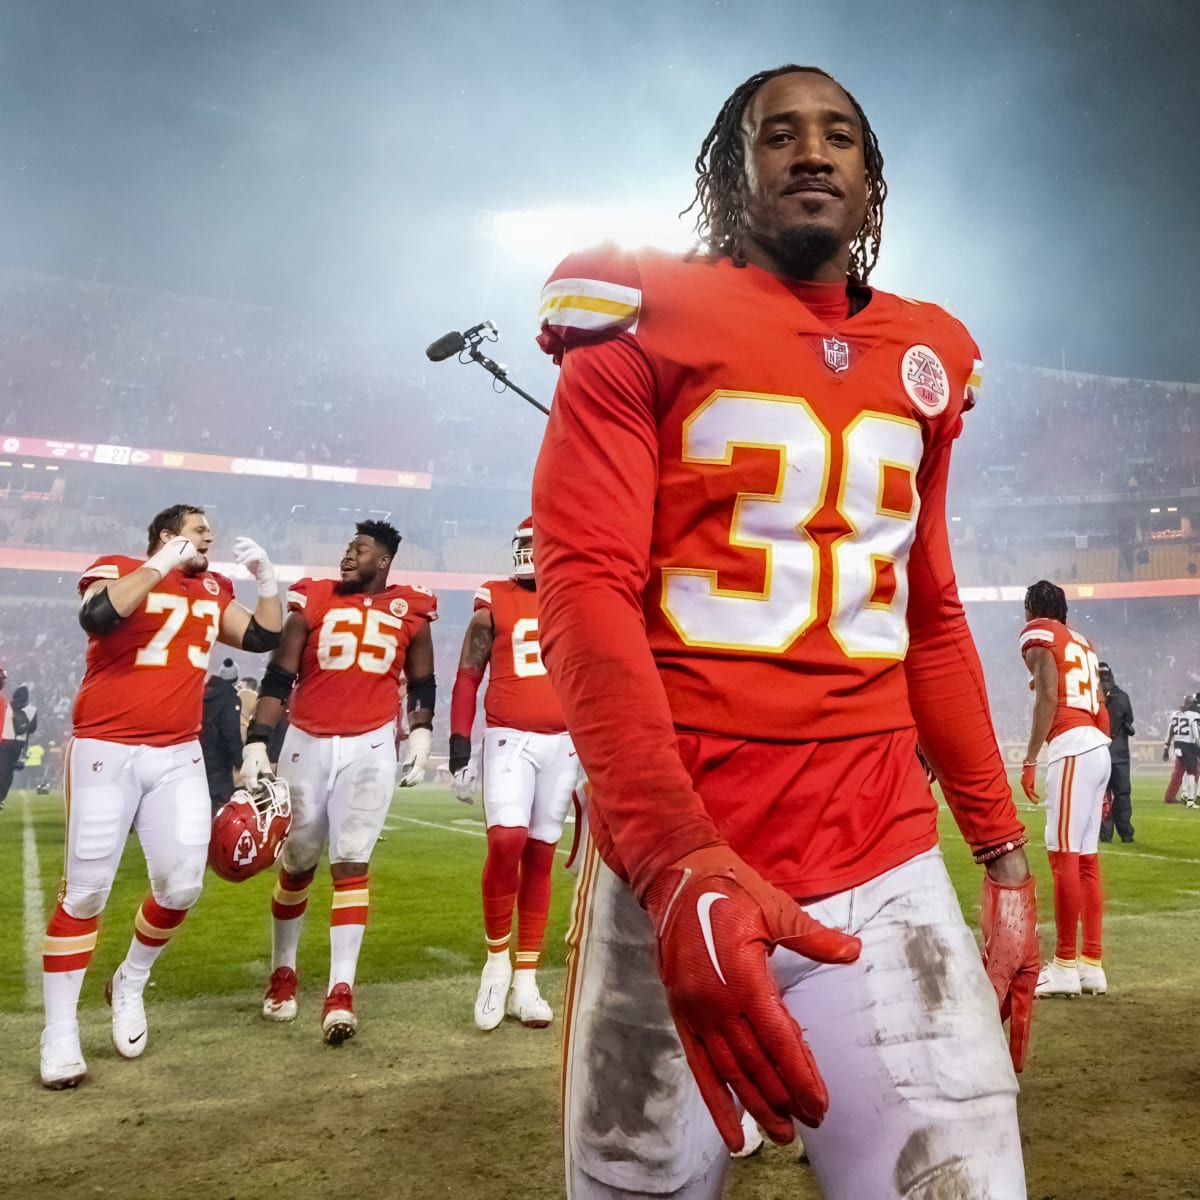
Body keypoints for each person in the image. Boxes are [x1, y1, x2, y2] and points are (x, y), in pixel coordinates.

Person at [532, 64, 1037, 1200]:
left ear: (871, 177)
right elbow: (584, 586)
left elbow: (930, 613)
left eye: (841, 135)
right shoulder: (636, 304)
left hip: (885, 856)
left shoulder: (932, 352)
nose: (813, 152)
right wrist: (671, 861)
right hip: (685, 852)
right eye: (779, 135)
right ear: (729, 173)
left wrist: (1003, 858)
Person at [39, 504, 282, 1089]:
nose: (211, 539)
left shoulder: (212, 587)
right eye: (201, 531)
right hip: (107, 746)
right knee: (86, 893)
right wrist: (157, 565)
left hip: (178, 752)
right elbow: (96, 616)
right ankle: (60, 1029)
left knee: (182, 885)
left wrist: (268, 582)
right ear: (169, 535)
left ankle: (130, 980)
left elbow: (264, 634)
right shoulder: (120, 567)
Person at [242, 520, 437, 1045]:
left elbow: (422, 681)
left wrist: (420, 733)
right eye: (348, 548)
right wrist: (259, 738)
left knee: (351, 861)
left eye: (361, 550)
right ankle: (284, 971)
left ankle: (340, 990)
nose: (348, 556)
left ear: (385, 561)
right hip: (306, 739)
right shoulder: (315, 598)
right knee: (298, 859)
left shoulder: (412, 608)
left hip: (371, 743)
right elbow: (281, 672)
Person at [448, 517, 577, 1031]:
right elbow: (466, 677)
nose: (526, 551)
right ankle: (496, 965)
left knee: (542, 854)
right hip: (509, 736)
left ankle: (527, 978)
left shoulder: (575, 598)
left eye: (534, 543)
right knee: (507, 841)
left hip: (565, 742)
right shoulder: (494, 600)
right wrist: (459, 748)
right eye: (521, 543)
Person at [1019, 581, 1111, 999]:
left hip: (1072, 746)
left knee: (1063, 859)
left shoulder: (1038, 632)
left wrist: (1030, 758)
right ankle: (1091, 964)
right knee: (1087, 860)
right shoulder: (1084, 643)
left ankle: (1065, 966)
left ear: (1033, 609)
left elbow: (1049, 698)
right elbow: (1101, 706)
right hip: (1097, 746)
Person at [1097, 662, 1135, 841]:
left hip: (1098, 751)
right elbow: (1129, 720)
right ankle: (1126, 834)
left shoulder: (1092, 697)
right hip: (1119, 752)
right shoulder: (1123, 696)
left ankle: (1105, 834)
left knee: (1101, 795)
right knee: (1122, 794)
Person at [200, 658, 243, 811]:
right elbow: (230, 731)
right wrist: (240, 761)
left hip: (198, 756)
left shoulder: (202, 693)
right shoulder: (229, 698)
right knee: (220, 806)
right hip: (220, 760)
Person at [0, 670, 35, 807]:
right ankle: (1, 797)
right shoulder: (31, 710)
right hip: (18, 744)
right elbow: (32, 728)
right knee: (7, 772)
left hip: (5, 740)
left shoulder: (7, 704)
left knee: (3, 770)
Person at [1162, 694, 1199, 806]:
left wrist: (1166, 748)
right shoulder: (1194, 715)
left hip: (1179, 746)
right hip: (1190, 746)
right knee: (1192, 772)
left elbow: (1170, 732)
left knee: (1180, 772)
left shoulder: (1176, 714)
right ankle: (1189, 796)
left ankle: (1176, 795)